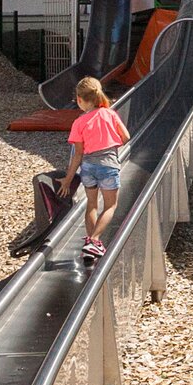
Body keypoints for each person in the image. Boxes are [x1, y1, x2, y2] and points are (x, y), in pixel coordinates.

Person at [63, 76, 130, 264]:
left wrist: (68, 179)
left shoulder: (79, 122)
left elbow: (78, 154)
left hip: (88, 167)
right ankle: (94, 240)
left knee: (91, 205)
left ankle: (91, 246)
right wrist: (111, 144)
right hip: (108, 164)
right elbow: (126, 136)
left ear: (79, 99)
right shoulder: (109, 114)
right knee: (110, 206)